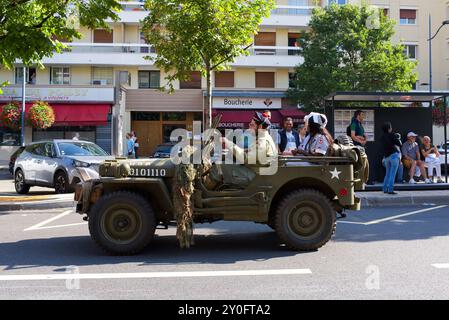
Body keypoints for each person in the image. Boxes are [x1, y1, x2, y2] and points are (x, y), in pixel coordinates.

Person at [381, 122, 402, 194]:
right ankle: (390, 190)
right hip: (394, 155)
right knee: (392, 174)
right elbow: (399, 144)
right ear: (389, 128)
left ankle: (384, 189)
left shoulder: (382, 137)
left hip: (386, 157)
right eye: (390, 127)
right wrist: (398, 138)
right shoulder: (392, 135)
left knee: (387, 174)